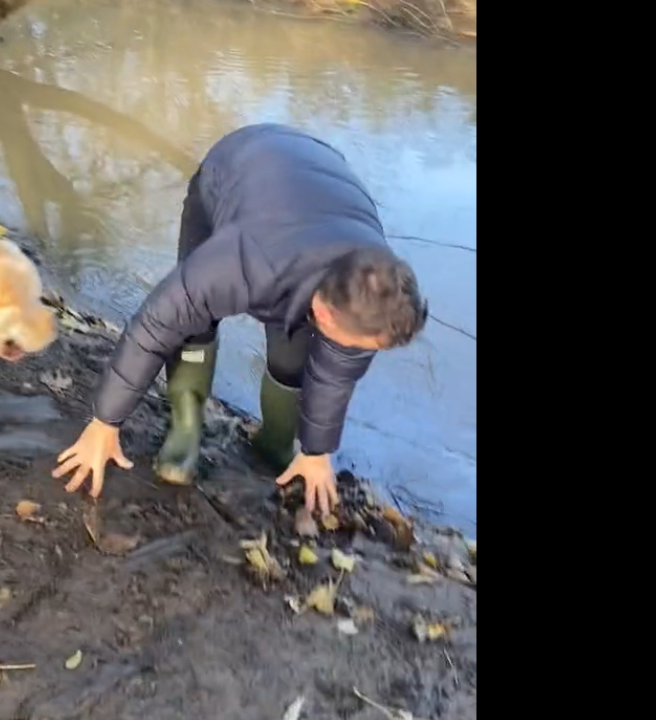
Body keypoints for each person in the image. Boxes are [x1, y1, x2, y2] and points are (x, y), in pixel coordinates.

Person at [52, 123, 429, 517]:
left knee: (294, 357)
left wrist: (317, 452)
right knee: (191, 323)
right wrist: (104, 422)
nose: (357, 354)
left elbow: (336, 373)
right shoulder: (240, 263)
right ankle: (186, 426)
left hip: (320, 180)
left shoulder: (375, 293)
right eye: (356, 345)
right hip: (230, 170)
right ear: (323, 310)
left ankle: (275, 443)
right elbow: (153, 329)